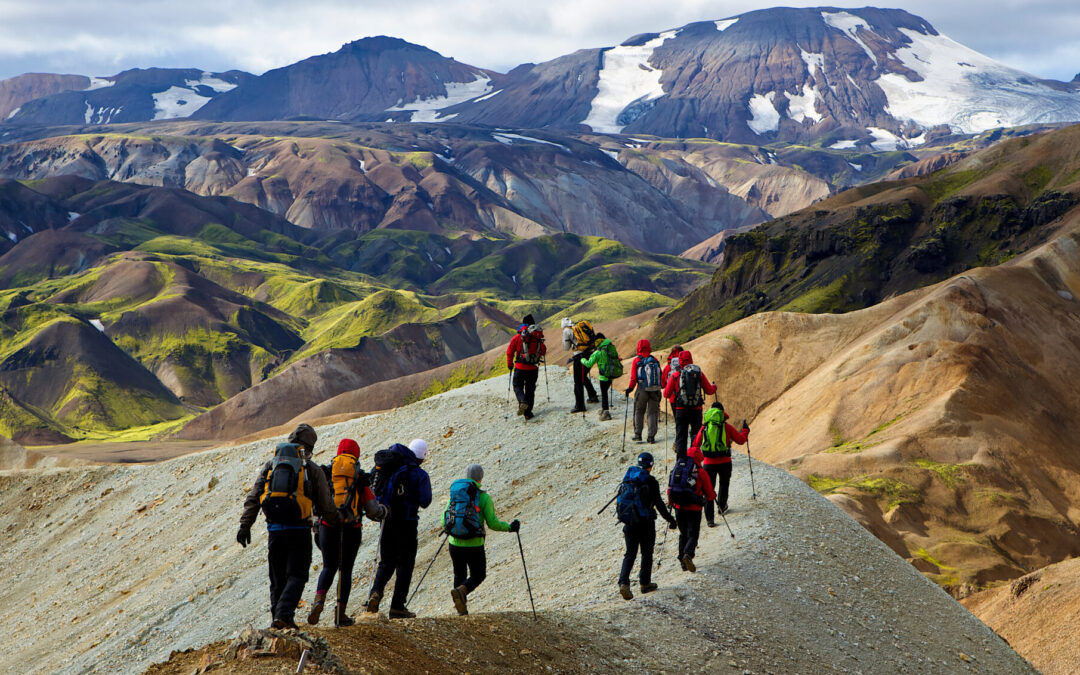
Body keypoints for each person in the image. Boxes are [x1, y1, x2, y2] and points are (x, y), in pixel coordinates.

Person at [237, 423, 340, 630]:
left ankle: (278, 620)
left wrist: (244, 526)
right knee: (298, 574)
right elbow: (326, 505)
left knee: (277, 579)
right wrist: (338, 520)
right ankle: (284, 615)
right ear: (309, 447)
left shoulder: (271, 466)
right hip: (299, 530)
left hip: (274, 530)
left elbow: (254, 497)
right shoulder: (311, 469)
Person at [307, 438, 389, 627]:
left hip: (328, 527)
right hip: (352, 529)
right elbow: (371, 509)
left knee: (329, 566)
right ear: (356, 454)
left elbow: (315, 504)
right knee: (346, 570)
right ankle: (340, 613)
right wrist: (384, 512)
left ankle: (318, 600)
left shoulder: (326, 474)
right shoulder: (359, 477)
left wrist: (316, 526)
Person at [366, 438, 432, 619]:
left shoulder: (389, 466)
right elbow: (426, 501)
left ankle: (375, 592)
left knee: (386, 561)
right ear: (422, 456)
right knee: (405, 564)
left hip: (386, 520)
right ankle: (397, 606)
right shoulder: (419, 474)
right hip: (408, 523)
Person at [442, 463, 519, 616]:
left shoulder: (456, 494)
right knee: (478, 574)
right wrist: (510, 527)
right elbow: (493, 523)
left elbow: (444, 520)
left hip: (454, 543)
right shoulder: (484, 498)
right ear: (481, 478)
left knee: (459, 574)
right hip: (474, 544)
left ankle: (461, 611)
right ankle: (462, 591)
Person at [616, 452, 677, 600]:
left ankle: (624, 583)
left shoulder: (629, 478)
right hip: (646, 523)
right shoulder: (651, 482)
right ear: (651, 465)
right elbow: (659, 504)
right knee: (647, 553)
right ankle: (645, 584)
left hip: (629, 522)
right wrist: (671, 520)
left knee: (630, 554)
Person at [689, 403, 750, 527]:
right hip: (725, 462)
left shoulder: (705, 427)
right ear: (722, 412)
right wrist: (745, 430)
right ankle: (722, 507)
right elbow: (741, 440)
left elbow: (695, 444)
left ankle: (710, 519)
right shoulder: (726, 427)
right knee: (724, 484)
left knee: (708, 489)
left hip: (708, 463)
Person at [668, 443, 716, 572]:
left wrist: (671, 503)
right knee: (693, 534)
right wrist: (709, 498)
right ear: (700, 457)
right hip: (694, 508)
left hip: (679, 507)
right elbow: (710, 493)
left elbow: (670, 488)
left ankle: (682, 561)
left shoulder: (677, 469)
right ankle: (688, 555)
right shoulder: (701, 472)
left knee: (683, 533)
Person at [662, 350, 717, 455]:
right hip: (696, 410)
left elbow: (666, 394)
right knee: (696, 436)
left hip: (681, 410)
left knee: (681, 436)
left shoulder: (675, 375)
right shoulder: (698, 373)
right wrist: (715, 386)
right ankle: (694, 461)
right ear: (691, 360)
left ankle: (681, 463)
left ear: (680, 361)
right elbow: (709, 390)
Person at [506, 314, 546, 420]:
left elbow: (510, 352)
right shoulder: (537, 337)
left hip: (520, 367)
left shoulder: (517, 337)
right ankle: (528, 414)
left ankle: (522, 401)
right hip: (533, 368)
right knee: (530, 389)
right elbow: (543, 351)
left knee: (517, 386)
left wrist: (510, 364)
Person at [625, 339, 663, 443]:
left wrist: (630, 389)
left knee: (639, 411)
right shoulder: (654, 360)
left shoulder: (637, 360)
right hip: (655, 390)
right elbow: (661, 376)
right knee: (652, 413)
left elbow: (633, 378)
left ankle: (638, 435)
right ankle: (651, 437)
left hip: (641, 390)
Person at [563, 317, 599, 413]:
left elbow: (566, 348)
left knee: (578, 381)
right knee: (583, 375)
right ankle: (593, 396)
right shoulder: (580, 326)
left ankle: (580, 406)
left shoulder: (567, 331)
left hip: (580, 356)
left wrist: (570, 342)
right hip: (591, 353)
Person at [581, 332, 618, 421]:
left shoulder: (598, 352)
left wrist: (582, 360)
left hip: (603, 376)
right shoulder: (611, 348)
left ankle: (606, 413)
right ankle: (603, 409)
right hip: (611, 374)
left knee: (604, 393)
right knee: (605, 392)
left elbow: (589, 364)